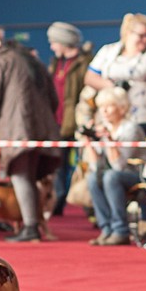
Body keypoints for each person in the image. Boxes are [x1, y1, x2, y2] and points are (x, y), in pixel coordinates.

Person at [0, 40, 60, 242]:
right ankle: (31, 224)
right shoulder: (35, 62)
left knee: (20, 176)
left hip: (16, 129)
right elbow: (54, 99)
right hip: (41, 129)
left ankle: (30, 227)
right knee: (29, 177)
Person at [84, 13, 146, 138]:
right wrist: (113, 87)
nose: (145, 39)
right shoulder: (108, 51)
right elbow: (89, 78)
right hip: (111, 119)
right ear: (128, 33)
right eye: (141, 35)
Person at [82, 87, 146, 246]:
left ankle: (120, 230)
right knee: (93, 178)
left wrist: (109, 140)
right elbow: (95, 166)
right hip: (115, 175)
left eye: (109, 106)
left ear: (122, 108)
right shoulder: (103, 127)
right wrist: (89, 142)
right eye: (101, 107)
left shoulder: (131, 129)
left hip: (140, 175)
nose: (104, 111)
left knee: (110, 177)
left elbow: (119, 165)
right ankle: (106, 229)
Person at [47, 21, 93, 216]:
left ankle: (89, 207)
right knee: (59, 166)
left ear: (64, 42)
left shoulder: (85, 63)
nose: (51, 46)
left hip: (78, 122)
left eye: (53, 42)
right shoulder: (55, 63)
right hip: (57, 123)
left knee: (84, 164)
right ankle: (58, 202)